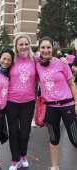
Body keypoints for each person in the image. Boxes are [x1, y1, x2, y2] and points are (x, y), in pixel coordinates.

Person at [36, 36, 77, 170]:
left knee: (75, 139)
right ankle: (55, 167)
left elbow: (72, 84)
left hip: (67, 105)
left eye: (48, 47)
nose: (46, 50)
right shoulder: (38, 65)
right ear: (39, 49)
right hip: (51, 107)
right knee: (54, 139)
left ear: (53, 48)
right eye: (43, 47)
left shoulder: (62, 63)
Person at [6, 34, 37, 170]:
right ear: (16, 46)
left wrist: (63, 61)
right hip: (11, 102)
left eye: (26, 44)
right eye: (21, 44)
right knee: (13, 132)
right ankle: (15, 159)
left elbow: (50, 67)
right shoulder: (11, 61)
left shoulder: (35, 61)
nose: (24, 47)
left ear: (29, 45)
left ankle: (23, 155)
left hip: (28, 102)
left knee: (25, 132)